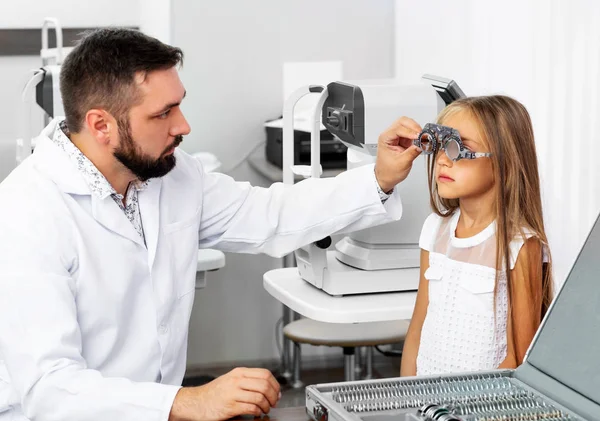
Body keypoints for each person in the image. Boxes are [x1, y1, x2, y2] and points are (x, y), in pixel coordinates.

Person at [0, 29, 423, 421]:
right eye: (164, 113)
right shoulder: (27, 213)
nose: (183, 126)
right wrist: (189, 400)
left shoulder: (169, 174)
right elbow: (49, 388)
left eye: (179, 104)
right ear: (100, 125)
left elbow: (268, 215)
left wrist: (379, 177)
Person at [400, 95, 554, 377]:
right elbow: (417, 328)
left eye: (457, 149)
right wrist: (405, 398)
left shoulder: (519, 245)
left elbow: (519, 357)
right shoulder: (434, 230)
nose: (442, 161)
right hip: (425, 400)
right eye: (438, 147)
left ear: (504, 162)